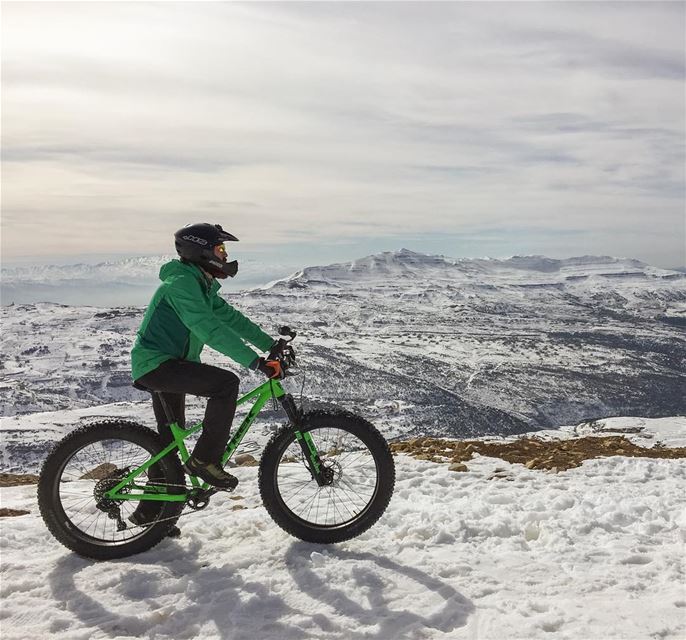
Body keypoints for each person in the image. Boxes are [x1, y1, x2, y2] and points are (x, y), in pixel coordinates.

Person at [129, 223, 279, 532]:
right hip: (159, 365)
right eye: (220, 249)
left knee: (168, 442)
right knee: (226, 385)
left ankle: (152, 517)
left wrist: (270, 345)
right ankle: (205, 461)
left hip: (167, 365)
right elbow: (208, 328)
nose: (225, 256)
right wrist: (255, 362)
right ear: (201, 251)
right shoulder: (182, 285)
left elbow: (230, 318)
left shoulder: (198, 283)